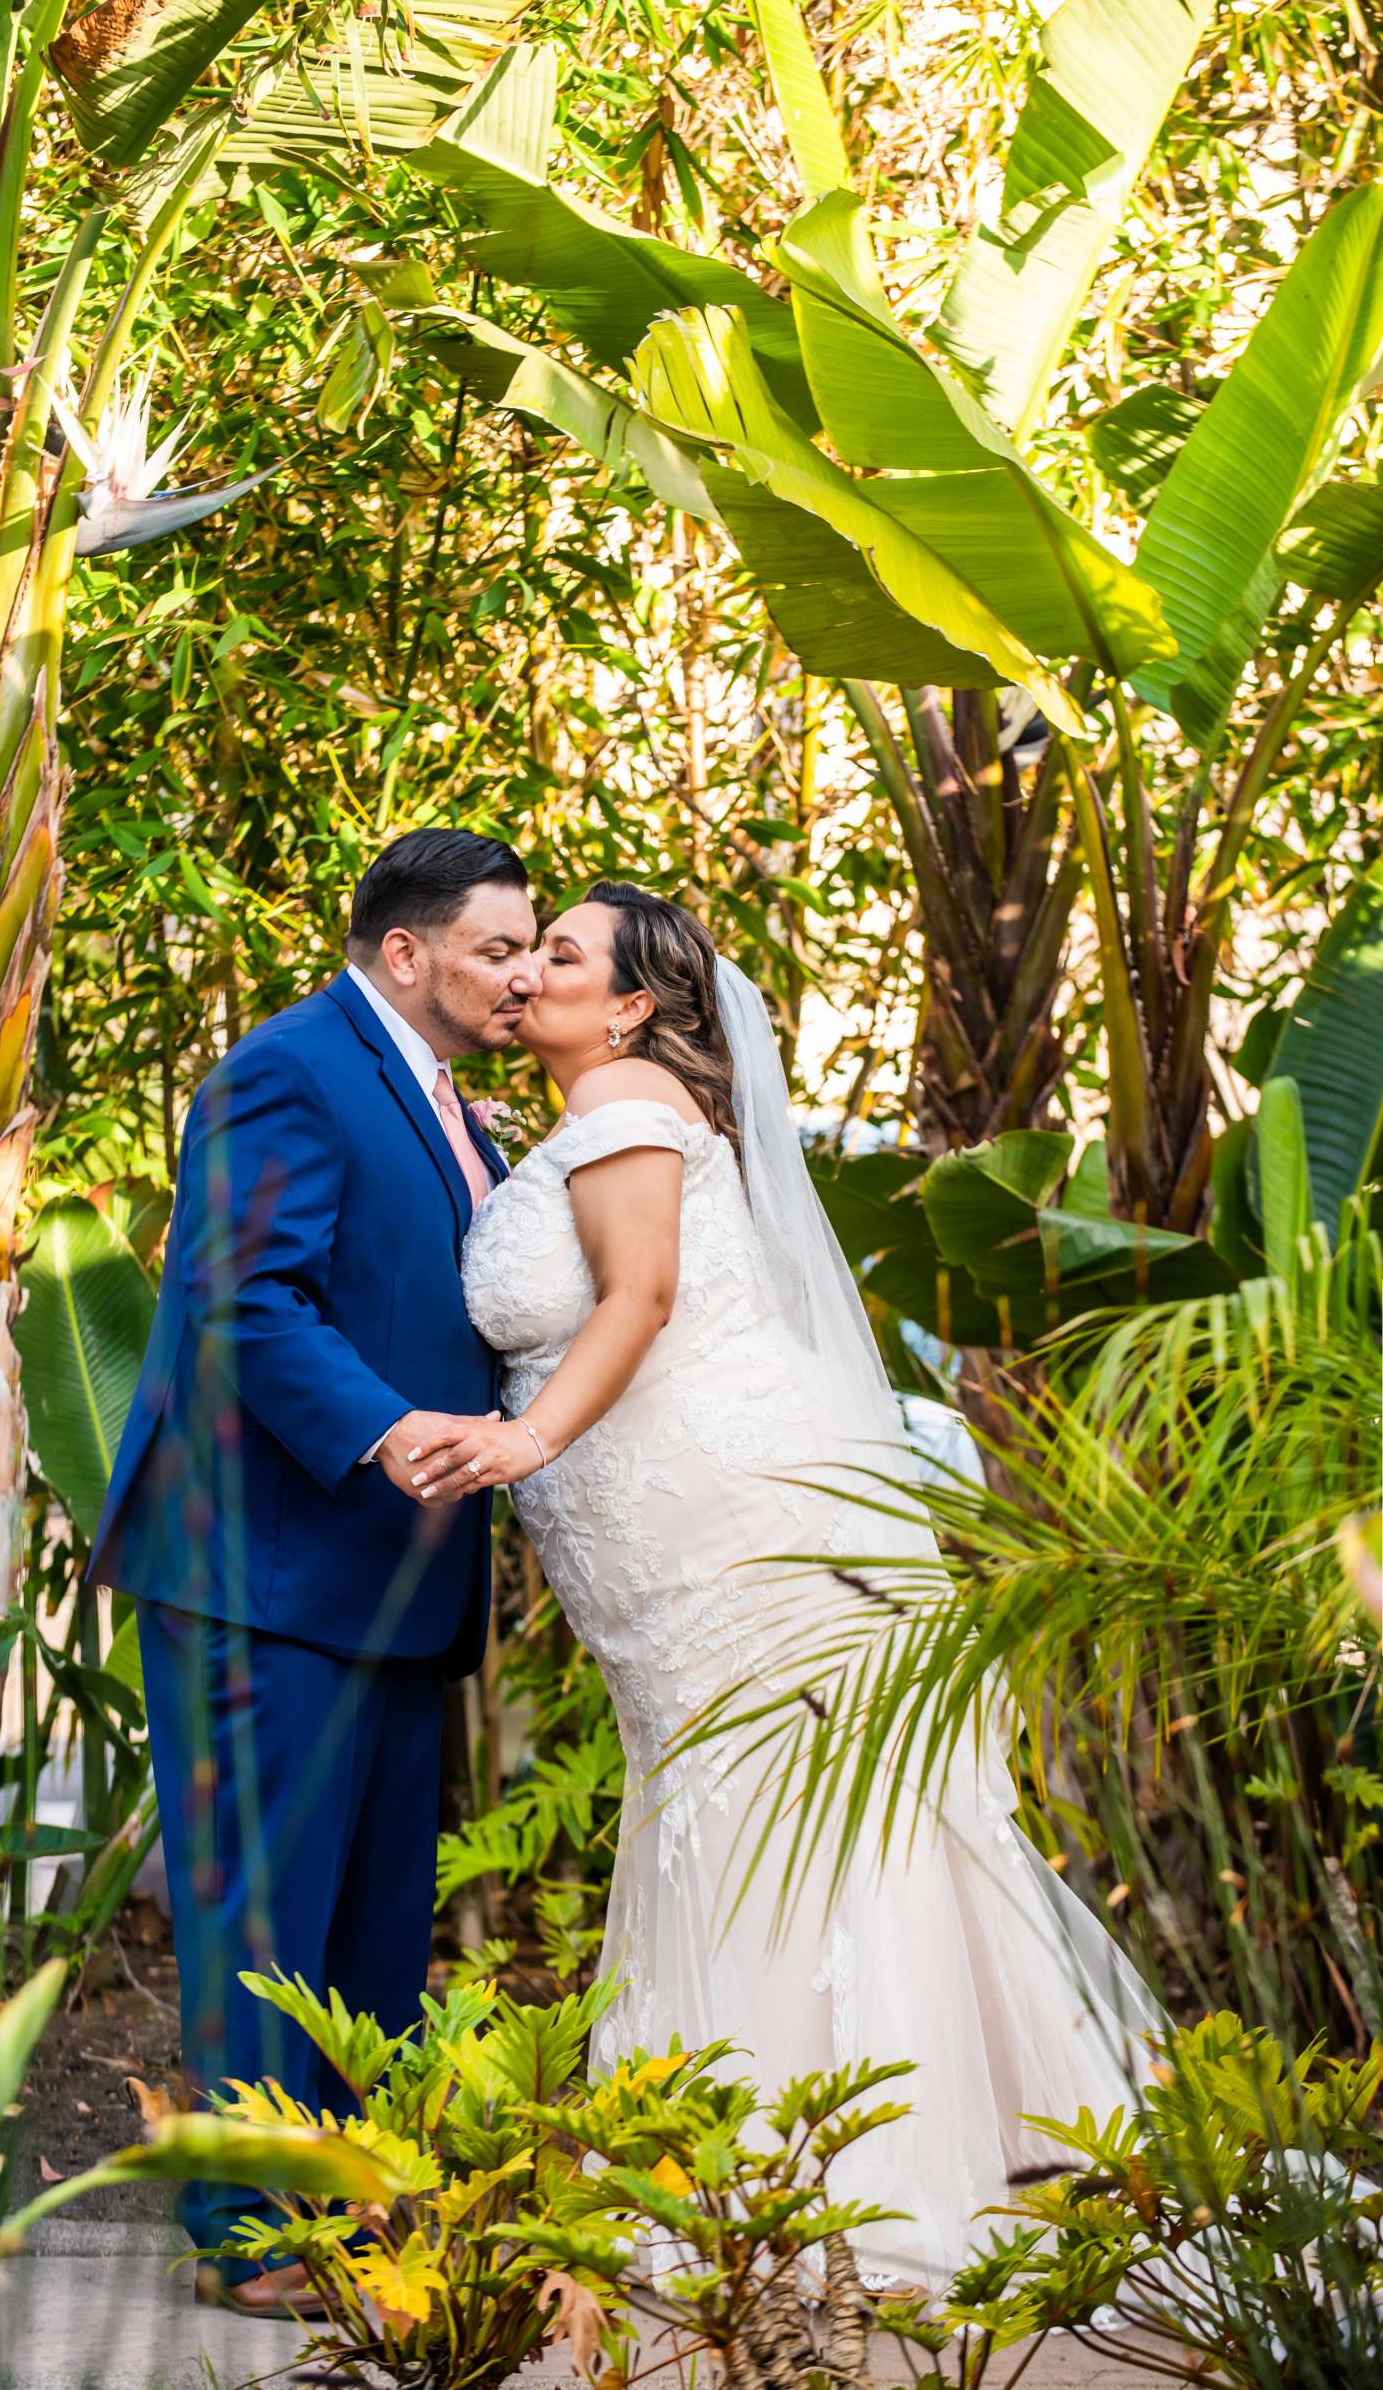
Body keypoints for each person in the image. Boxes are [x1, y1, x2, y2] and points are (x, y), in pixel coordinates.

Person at [420, 880, 1164, 2292]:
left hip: (719, 1518)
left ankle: (815, 2163)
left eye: (562, 956)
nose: (531, 975)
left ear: (634, 1003)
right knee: (748, 1799)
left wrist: (524, 1438)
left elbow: (638, 1297)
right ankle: (795, 2144)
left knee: (762, 1803)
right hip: (660, 1534)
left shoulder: (628, 1102)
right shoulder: (590, 1111)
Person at [87, 828, 540, 2312]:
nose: (519, 974)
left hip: (393, 1575)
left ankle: (344, 2205)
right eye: (495, 949)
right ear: (404, 953)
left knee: (368, 1920)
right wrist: (390, 1428)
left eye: (532, 947)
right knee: (262, 1909)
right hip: (261, 1569)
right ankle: (243, 2228)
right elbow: (241, 1298)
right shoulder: (286, 1068)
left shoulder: (439, 1097)